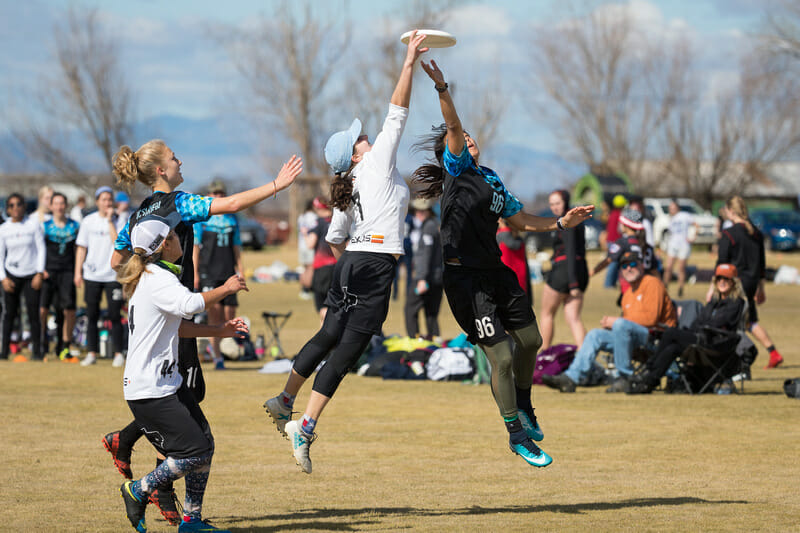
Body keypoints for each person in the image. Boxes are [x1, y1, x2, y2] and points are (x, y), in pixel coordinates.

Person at [102, 139, 301, 525]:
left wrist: (143, 271)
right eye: (174, 157)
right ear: (161, 169)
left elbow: (115, 260)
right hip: (176, 312)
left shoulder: (141, 212)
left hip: (172, 315)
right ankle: (152, 485)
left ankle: (173, 498)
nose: (180, 160)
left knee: (191, 410)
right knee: (187, 411)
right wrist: (276, 186)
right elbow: (232, 205)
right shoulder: (177, 203)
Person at [410, 58, 593, 467]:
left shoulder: (491, 178)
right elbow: (454, 128)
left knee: (531, 341)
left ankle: (524, 406)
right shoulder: (457, 171)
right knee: (503, 358)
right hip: (465, 281)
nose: (468, 140)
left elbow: (518, 219)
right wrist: (443, 89)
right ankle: (515, 434)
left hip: (496, 273)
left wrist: (561, 223)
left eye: (472, 138)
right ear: (450, 152)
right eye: (462, 138)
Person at [263, 31, 430, 474]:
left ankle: (284, 399)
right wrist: (409, 60)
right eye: (361, 140)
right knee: (347, 350)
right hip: (372, 265)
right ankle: (304, 425)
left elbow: (336, 239)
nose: (368, 139)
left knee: (327, 337)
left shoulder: (348, 185)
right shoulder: (374, 165)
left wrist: (348, 271)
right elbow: (398, 109)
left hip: (352, 262)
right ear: (356, 155)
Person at [116, 213, 248, 533]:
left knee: (205, 444)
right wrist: (225, 287)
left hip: (166, 384)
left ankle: (191, 520)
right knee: (195, 451)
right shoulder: (157, 278)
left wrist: (220, 331)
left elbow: (178, 327)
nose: (180, 240)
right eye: (175, 236)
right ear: (164, 244)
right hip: (150, 390)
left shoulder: (153, 276)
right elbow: (190, 304)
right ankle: (139, 489)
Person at [543, 251, 676, 393]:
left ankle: (625, 377)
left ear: (641, 266)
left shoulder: (652, 283)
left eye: (632, 264)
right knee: (595, 335)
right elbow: (628, 326)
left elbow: (651, 319)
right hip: (635, 338)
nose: (628, 269)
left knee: (619, 324)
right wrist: (614, 326)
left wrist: (617, 322)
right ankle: (571, 378)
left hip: (657, 338)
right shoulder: (627, 295)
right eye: (624, 266)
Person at [627, 263, 746, 394]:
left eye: (726, 279)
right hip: (703, 338)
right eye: (719, 279)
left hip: (716, 344)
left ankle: (649, 368)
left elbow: (718, 323)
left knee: (671, 332)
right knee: (672, 349)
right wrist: (694, 329)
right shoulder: (714, 301)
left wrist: (700, 327)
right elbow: (699, 321)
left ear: (734, 282)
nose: (722, 282)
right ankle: (650, 382)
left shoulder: (737, 303)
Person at [715, 196, 783, 369]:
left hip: (735, 284)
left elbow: (722, 264)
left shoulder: (729, 234)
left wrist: (713, 288)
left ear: (731, 211)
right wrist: (761, 288)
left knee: (731, 322)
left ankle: (736, 362)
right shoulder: (756, 233)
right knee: (749, 321)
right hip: (752, 282)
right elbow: (761, 264)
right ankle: (773, 353)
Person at [192, 179, 244, 370]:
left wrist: (241, 270)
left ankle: (226, 348)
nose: (218, 196)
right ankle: (217, 356)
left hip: (228, 271)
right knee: (214, 316)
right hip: (208, 272)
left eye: (221, 193)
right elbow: (196, 248)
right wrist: (195, 272)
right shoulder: (203, 219)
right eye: (215, 194)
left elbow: (237, 246)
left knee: (230, 314)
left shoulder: (232, 218)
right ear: (210, 195)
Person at [75, 186, 127, 367]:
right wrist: (78, 272)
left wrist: (110, 221)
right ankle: (91, 352)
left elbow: (118, 243)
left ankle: (119, 353)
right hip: (92, 274)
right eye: (103, 199)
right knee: (92, 314)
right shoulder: (88, 221)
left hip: (113, 276)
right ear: (97, 201)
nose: (107, 203)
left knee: (115, 315)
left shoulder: (120, 220)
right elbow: (82, 248)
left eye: (109, 199)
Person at [539, 189, 588, 351]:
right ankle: (584, 358)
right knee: (573, 318)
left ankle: (543, 355)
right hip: (580, 272)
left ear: (566, 201)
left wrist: (573, 283)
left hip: (565, 272)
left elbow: (571, 250)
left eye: (557, 203)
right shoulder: (573, 219)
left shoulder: (568, 221)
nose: (554, 207)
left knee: (546, 314)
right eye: (551, 204)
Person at [0, 193, 45, 362]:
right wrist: (3, 278)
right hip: (11, 275)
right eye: (11, 205)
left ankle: (37, 352)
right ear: (8, 209)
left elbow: (41, 249)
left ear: (24, 206)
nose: (15, 208)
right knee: (9, 313)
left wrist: (39, 273)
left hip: (31, 275)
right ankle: (4, 351)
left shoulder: (33, 225)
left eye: (19, 204)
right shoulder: (3, 229)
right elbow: (0, 256)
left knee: (34, 314)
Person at [39, 192, 81, 362]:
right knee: (42, 309)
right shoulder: (44, 226)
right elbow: (38, 248)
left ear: (66, 205)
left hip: (67, 271)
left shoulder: (75, 226)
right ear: (51, 206)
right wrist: (40, 269)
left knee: (69, 309)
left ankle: (64, 346)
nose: (59, 207)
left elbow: (79, 249)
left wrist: (78, 271)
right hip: (48, 272)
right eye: (56, 203)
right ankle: (41, 343)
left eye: (62, 203)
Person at [590, 207, 656, 294]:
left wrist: (592, 272)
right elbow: (654, 271)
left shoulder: (622, 243)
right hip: (647, 287)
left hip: (629, 288)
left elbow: (608, 260)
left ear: (626, 225)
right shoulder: (646, 245)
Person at [405, 197, 443, 340]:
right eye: (416, 211)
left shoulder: (428, 228)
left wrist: (421, 278)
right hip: (436, 277)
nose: (418, 214)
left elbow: (425, 255)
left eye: (422, 211)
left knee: (410, 309)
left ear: (429, 212)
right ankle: (434, 340)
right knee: (431, 313)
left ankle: (414, 339)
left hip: (426, 278)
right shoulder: (434, 226)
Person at [304, 196, 337, 324]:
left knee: (323, 307)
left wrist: (305, 233)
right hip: (337, 267)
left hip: (322, 268)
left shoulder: (319, 223)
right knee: (333, 303)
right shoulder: (337, 221)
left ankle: (325, 337)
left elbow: (310, 244)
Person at [662, 199, 696, 297]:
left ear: (677, 208)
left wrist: (693, 237)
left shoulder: (685, 215)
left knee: (681, 268)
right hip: (673, 245)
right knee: (668, 268)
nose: (671, 210)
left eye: (673, 208)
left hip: (684, 245)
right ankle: (665, 287)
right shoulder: (669, 218)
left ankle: (680, 289)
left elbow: (696, 225)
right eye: (670, 208)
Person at [496, 218, 531, 307]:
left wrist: (503, 226)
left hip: (507, 280)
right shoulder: (520, 240)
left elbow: (509, 242)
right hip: (520, 279)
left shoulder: (502, 236)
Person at [603, 194, 627, 288]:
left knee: (614, 261)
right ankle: (608, 284)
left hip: (610, 241)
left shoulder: (612, 213)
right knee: (613, 262)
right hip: (615, 241)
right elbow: (620, 229)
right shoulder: (619, 215)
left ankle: (612, 282)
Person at [297, 199, 317, 301]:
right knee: (310, 269)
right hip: (309, 245)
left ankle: (302, 290)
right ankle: (307, 290)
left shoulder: (301, 217)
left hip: (301, 245)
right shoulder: (314, 217)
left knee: (304, 268)